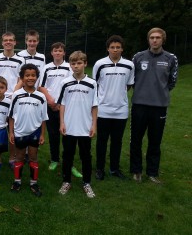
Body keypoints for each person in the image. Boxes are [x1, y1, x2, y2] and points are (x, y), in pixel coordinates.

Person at [130, 28, 178, 184]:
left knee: (155, 141)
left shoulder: (171, 58)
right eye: (152, 37)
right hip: (139, 105)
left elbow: (172, 82)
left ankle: (152, 173)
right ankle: (136, 171)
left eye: (158, 37)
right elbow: (132, 79)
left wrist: (159, 92)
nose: (154, 40)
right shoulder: (138, 57)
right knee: (136, 140)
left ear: (163, 39)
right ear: (148, 40)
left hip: (159, 106)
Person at [93, 35, 134, 180]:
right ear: (108, 49)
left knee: (117, 141)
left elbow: (129, 85)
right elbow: (95, 85)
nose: (115, 50)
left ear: (122, 49)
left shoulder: (129, 65)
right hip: (103, 110)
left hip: (121, 110)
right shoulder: (100, 64)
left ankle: (114, 168)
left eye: (118, 47)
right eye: (112, 47)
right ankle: (99, 169)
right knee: (102, 141)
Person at [57, 51, 98, 198]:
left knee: (86, 156)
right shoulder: (65, 82)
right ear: (70, 65)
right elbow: (62, 104)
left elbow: (94, 106)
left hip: (85, 127)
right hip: (69, 126)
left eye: (79, 63)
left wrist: (94, 125)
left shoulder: (92, 83)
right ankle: (66, 181)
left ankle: (87, 183)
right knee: (67, 155)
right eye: (73, 63)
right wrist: (62, 122)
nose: (76, 66)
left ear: (85, 64)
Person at [38, 42, 82, 178]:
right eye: (55, 50)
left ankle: (70, 163)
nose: (57, 53)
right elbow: (42, 86)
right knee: (53, 135)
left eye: (60, 50)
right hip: (50, 106)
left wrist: (59, 103)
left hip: (65, 107)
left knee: (68, 136)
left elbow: (70, 86)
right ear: (51, 53)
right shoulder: (46, 68)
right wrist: (51, 100)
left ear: (64, 53)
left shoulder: (69, 67)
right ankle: (55, 159)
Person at [8, 63, 47, 197]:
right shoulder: (16, 95)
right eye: (27, 75)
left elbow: (43, 118)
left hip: (34, 132)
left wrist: (42, 134)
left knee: (33, 157)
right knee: (18, 157)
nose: (30, 78)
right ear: (22, 78)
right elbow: (11, 116)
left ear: (36, 77)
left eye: (33, 75)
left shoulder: (41, 97)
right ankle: (17, 181)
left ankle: (33, 183)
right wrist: (11, 132)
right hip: (19, 131)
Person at [0, 32, 25, 168]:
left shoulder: (21, 60)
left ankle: (12, 157)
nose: (8, 42)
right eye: (6, 40)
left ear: (15, 42)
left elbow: (21, 78)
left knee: (12, 128)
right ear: (2, 43)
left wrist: (13, 93)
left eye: (11, 40)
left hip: (13, 98)